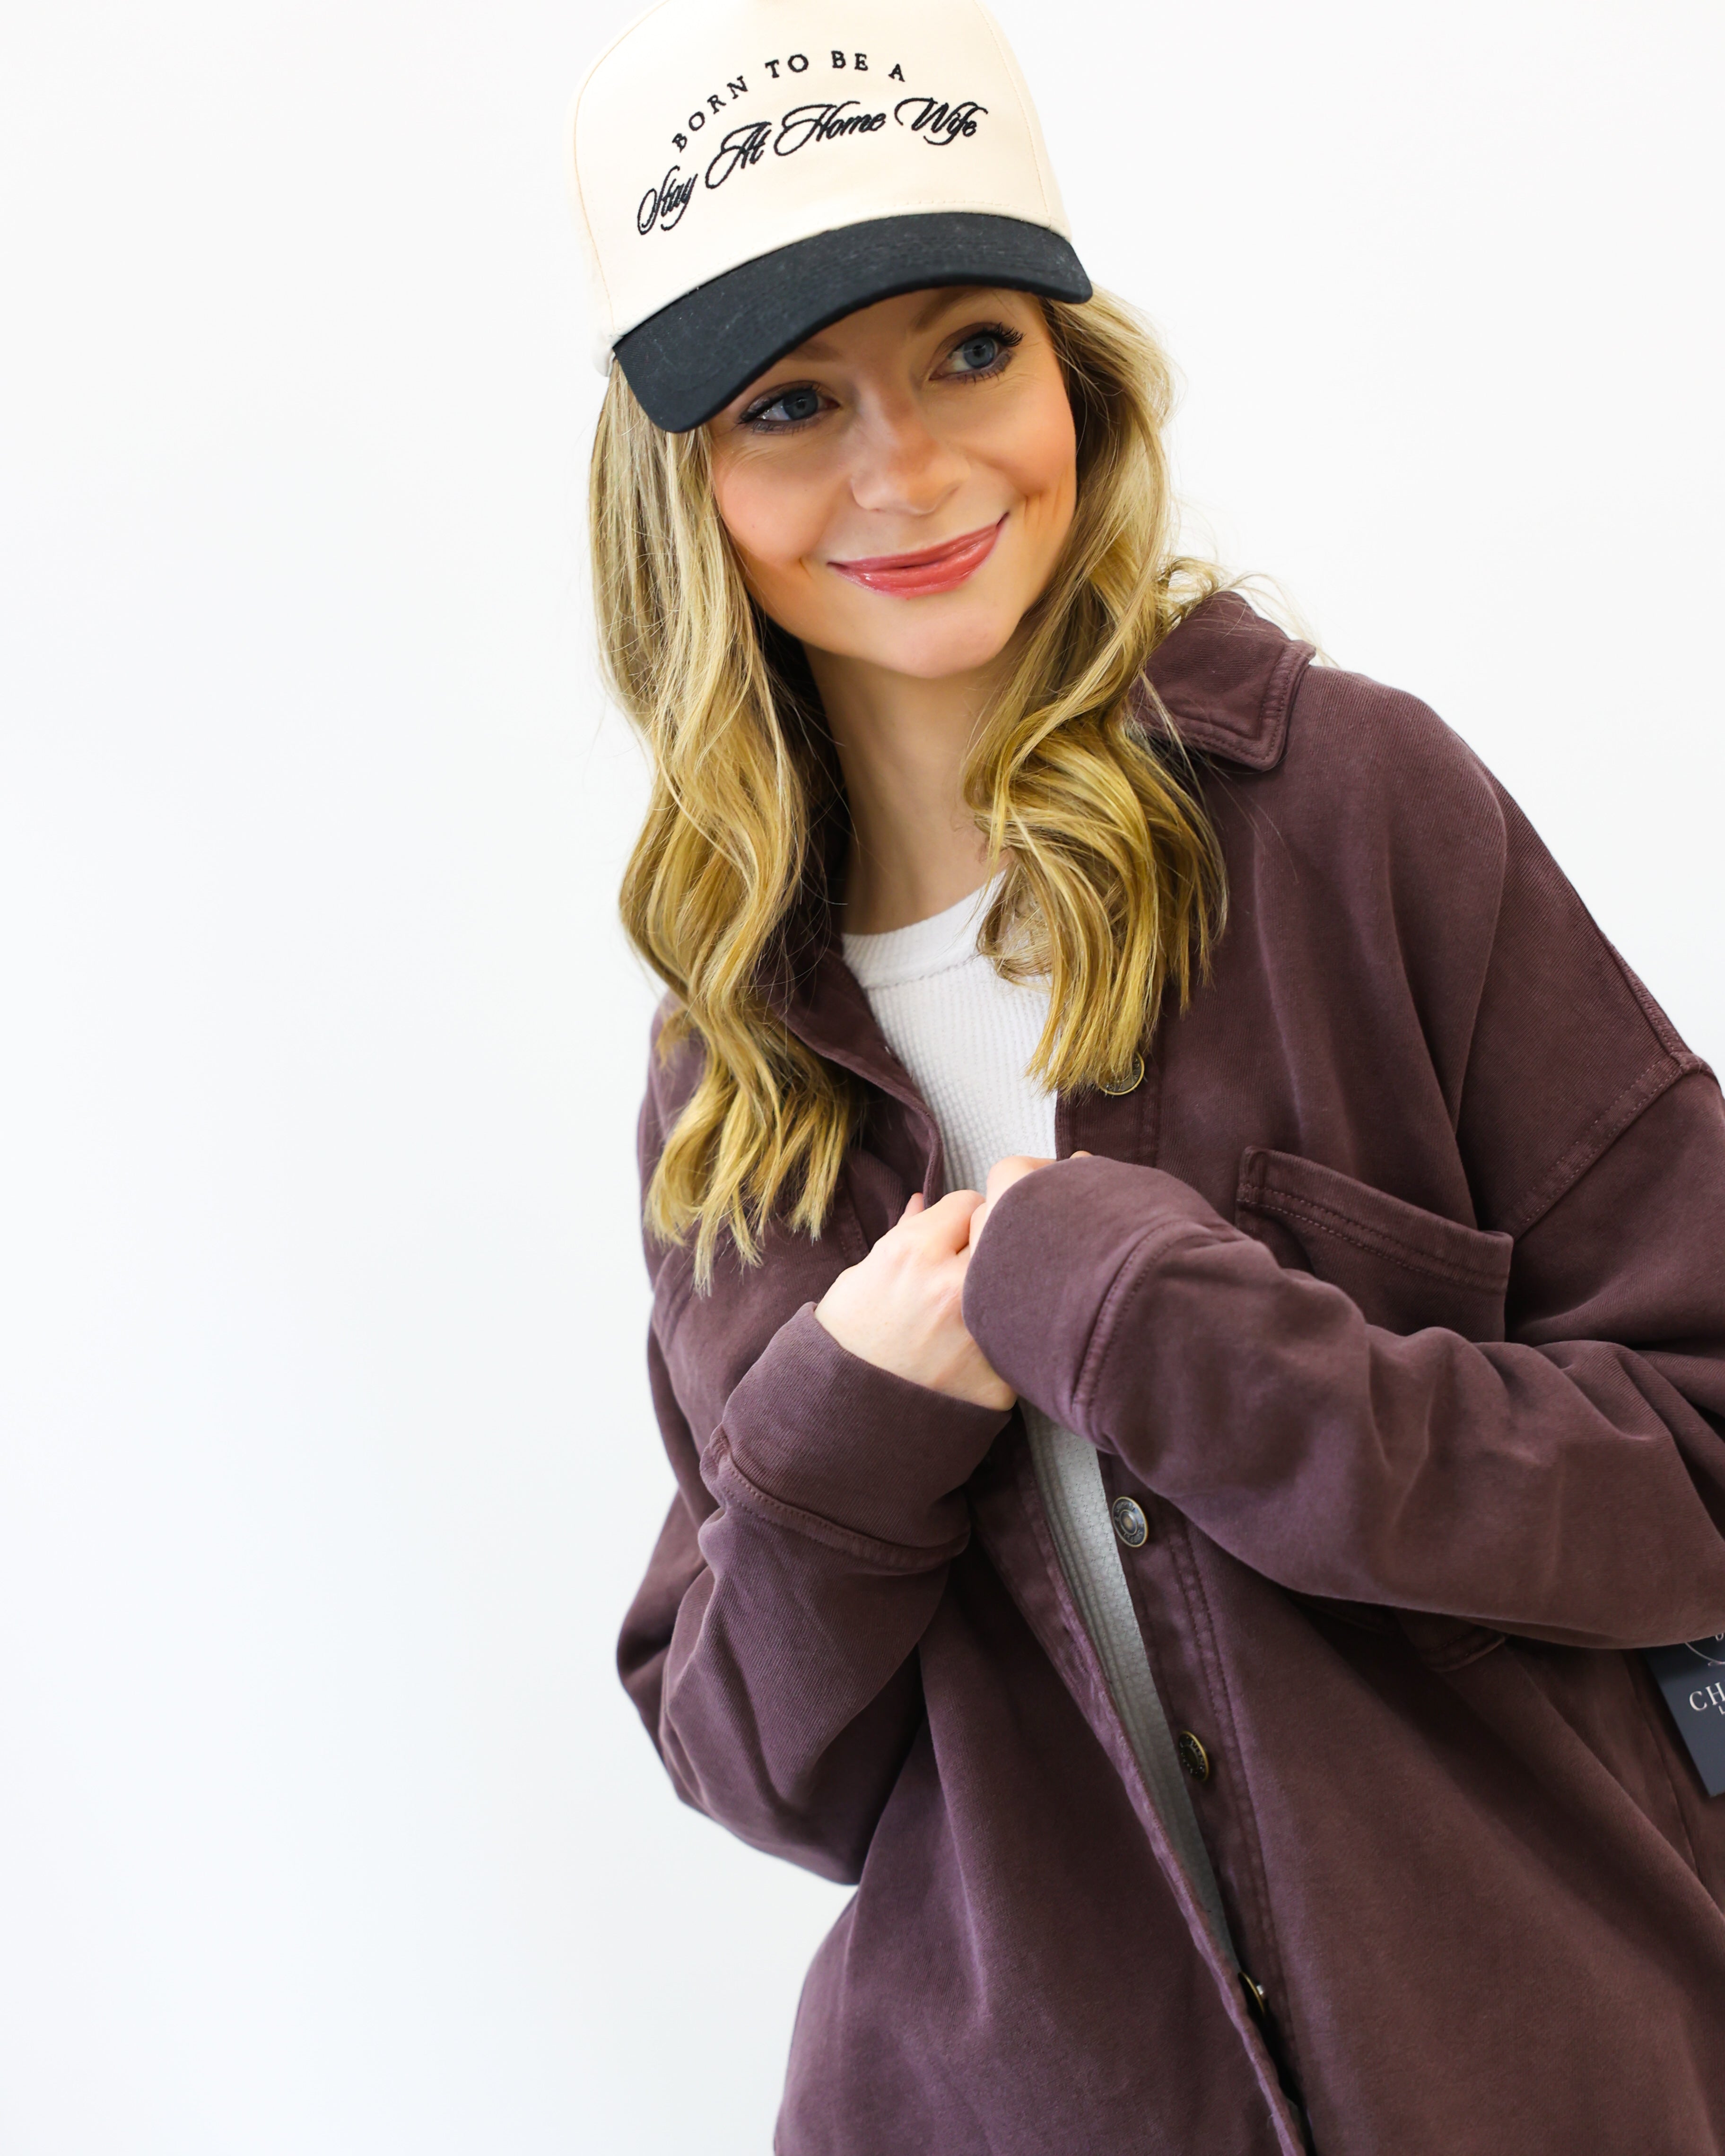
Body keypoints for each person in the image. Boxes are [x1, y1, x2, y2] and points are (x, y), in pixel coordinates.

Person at [568, 3, 1725, 2149]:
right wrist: (851, 1411)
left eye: (970, 351)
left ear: (1077, 376)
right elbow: (757, 1766)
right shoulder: (732, 1062)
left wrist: (1151, 1320)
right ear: (692, 492)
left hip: (1542, 2074)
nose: (903, 471)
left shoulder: (1348, 812)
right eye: (792, 402)